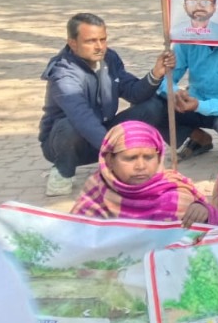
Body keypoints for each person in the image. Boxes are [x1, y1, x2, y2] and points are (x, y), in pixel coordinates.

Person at [39, 13, 173, 196]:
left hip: (102, 133)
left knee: (153, 106)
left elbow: (134, 93)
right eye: (91, 41)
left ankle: (135, 159)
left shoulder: (109, 58)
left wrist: (157, 73)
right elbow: (82, 119)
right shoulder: (63, 75)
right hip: (68, 143)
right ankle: (63, 171)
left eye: (103, 39)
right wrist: (117, 152)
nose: (99, 47)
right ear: (72, 43)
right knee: (70, 125)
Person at [71, 121, 218, 226]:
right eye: (130, 158)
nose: (140, 166)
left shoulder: (176, 192)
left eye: (149, 157)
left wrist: (206, 214)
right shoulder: (96, 190)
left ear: (159, 158)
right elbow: (70, 240)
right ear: (110, 160)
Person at [128, 41, 218, 159]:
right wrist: (175, 93)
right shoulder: (187, 41)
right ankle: (198, 138)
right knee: (145, 104)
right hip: (195, 101)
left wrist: (199, 105)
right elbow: (165, 78)